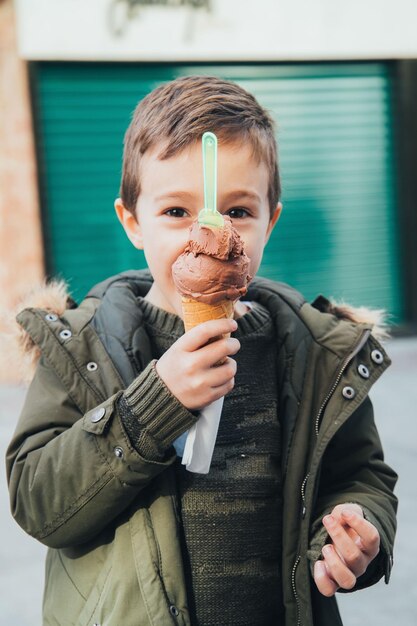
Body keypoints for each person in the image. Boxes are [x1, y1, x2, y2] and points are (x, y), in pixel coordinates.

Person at [6, 75, 397, 626]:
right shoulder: (83, 347)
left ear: (271, 221)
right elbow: (38, 501)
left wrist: (357, 523)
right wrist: (153, 405)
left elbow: (361, 473)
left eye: (238, 211)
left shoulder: (315, 352)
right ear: (132, 222)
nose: (210, 233)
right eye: (176, 212)